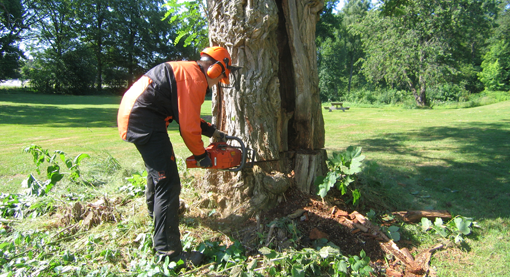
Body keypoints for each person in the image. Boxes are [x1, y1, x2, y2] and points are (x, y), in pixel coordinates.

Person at [117, 46, 233, 265]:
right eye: (220, 79)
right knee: (168, 182)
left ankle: (157, 217)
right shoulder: (194, 79)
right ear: (216, 70)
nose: (217, 84)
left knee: (158, 174)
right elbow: (188, 127)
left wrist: (213, 131)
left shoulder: (187, 71)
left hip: (136, 116)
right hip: (144, 121)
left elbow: (185, 114)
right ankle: (169, 253)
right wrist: (201, 155)